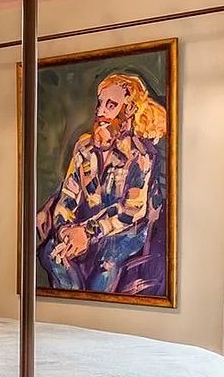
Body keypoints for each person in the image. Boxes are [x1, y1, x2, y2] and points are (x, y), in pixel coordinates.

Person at [36, 72, 167, 295]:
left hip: (127, 231)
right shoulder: (84, 148)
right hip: (86, 227)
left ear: (128, 110)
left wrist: (87, 232)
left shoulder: (141, 155)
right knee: (52, 253)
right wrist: (65, 229)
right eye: (100, 104)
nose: (100, 112)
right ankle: (72, 305)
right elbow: (68, 196)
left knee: (106, 264)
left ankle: (92, 309)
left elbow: (131, 211)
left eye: (110, 105)